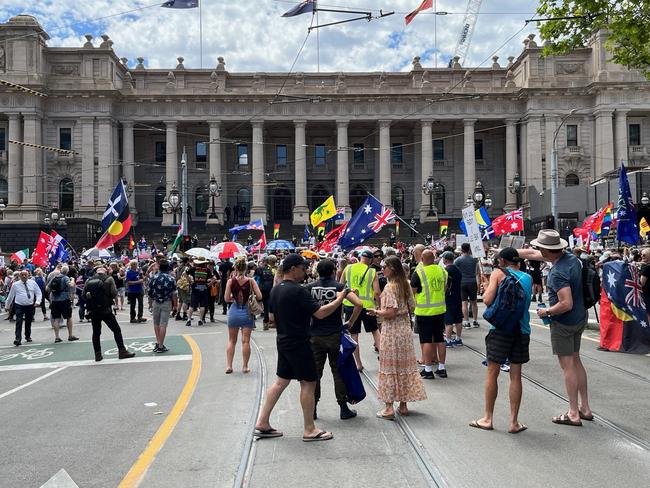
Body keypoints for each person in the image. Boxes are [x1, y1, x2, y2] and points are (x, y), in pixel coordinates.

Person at [255, 254, 350, 442]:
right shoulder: (298, 291)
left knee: (281, 381)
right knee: (308, 383)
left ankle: (262, 421)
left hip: (283, 340)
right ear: (292, 269)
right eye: (302, 267)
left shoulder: (276, 290)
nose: (305, 271)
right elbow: (321, 313)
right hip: (299, 341)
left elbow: (272, 319)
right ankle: (309, 429)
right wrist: (340, 299)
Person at [519, 229, 592, 426]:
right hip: (580, 316)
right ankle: (585, 408)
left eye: (541, 248)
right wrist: (511, 251)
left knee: (567, 366)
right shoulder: (570, 258)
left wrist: (547, 312)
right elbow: (534, 254)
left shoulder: (557, 273)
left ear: (548, 251)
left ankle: (573, 413)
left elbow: (565, 303)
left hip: (564, 321)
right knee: (576, 362)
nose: (538, 251)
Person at [469, 247, 531, 434]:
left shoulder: (497, 273)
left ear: (502, 262)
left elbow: (487, 300)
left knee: (492, 372)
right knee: (516, 374)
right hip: (521, 330)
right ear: (517, 262)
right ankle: (513, 422)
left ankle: (487, 418)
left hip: (500, 329)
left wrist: (488, 286)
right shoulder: (527, 278)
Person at [369, 256, 427, 419]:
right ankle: (403, 405)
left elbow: (390, 312)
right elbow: (412, 306)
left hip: (392, 330)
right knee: (404, 365)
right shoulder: (406, 284)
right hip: (404, 330)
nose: (382, 270)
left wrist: (376, 312)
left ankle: (388, 408)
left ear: (392, 268)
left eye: (384, 267)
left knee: (389, 366)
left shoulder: (389, 287)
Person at [306, 258, 363, 420]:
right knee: (338, 371)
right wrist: (350, 323)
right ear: (333, 272)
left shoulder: (309, 288)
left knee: (315, 373)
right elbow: (358, 304)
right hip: (335, 335)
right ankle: (343, 408)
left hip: (315, 336)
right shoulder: (339, 287)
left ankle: (313, 408)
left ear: (318, 272)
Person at [340, 249, 381, 371]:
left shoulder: (348, 268)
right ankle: (384, 361)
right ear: (370, 260)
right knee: (375, 331)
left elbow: (341, 285)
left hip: (351, 304)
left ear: (360, 257)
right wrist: (380, 306)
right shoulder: (372, 271)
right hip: (368, 305)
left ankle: (358, 364)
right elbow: (377, 292)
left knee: (354, 334)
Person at [85, 265, 135, 362]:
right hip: (106, 309)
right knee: (116, 330)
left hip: (93, 310)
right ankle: (122, 351)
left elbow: (84, 295)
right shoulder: (109, 279)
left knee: (96, 332)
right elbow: (114, 293)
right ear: (105, 272)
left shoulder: (89, 281)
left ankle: (97, 354)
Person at [411, 250, 448, 379]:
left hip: (424, 312)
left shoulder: (419, 272)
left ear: (421, 258)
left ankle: (428, 369)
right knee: (440, 338)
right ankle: (442, 368)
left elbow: (412, 292)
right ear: (434, 258)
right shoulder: (442, 271)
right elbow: (444, 287)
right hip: (440, 310)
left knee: (426, 340)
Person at [224, 257, 263, 374]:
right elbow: (260, 296)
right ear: (246, 268)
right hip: (247, 312)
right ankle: (245, 366)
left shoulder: (230, 281)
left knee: (231, 340)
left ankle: (229, 366)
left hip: (234, 311)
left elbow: (226, 299)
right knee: (245, 341)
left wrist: (233, 298)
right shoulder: (251, 281)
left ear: (235, 268)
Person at [147, 260, 177, 353]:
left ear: (159, 267)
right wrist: (175, 305)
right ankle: (160, 345)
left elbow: (149, 292)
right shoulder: (171, 278)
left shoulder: (154, 277)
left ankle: (158, 342)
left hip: (156, 302)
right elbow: (174, 294)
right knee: (163, 324)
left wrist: (150, 304)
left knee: (156, 323)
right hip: (166, 302)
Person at [6, 270, 42, 346]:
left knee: (28, 321)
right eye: (22, 275)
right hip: (19, 305)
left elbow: (38, 293)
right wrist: (7, 305)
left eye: (25, 275)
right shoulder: (15, 285)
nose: (24, 276)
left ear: (28, 275)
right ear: (20, 276)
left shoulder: (33, 283)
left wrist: (38, 301)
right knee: (19, 321)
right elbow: (10, 296)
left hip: (30, 305)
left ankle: (28, 336)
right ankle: (17, 339)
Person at [46, 265, 79, 344]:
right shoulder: (66, 278)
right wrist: (73, 280)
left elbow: (47, 288)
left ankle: (57, 337)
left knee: (56, 318)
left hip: (55, 300)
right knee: (68, 317)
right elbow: (71, 285)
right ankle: (70, 335)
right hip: (64, 300)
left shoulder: (54, 278)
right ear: (67, 272)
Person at [455, 243, 480, 328]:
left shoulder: (458, 260)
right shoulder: (475, 259)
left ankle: (466, 321)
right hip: (473, 282)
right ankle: (475, 321)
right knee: (474, 302)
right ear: (469, 249)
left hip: (462, 282)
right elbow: (477, 272)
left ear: (462, 249)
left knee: (464, 302)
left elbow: (455, 271)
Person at [441, 251, 464, 347]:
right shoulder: (458, 270)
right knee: (458, 318)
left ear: (445, 260)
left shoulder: (446, 271)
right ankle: (458, 338)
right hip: (458, 295)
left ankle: (448, 340)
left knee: (448, 320)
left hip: (448, 297)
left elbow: (444, 285)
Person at [187, 256, 214, 326]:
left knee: (192, 305)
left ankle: (189, 319)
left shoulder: (193, 269)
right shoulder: (207, 270)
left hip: (195, 288)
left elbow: (185, 274)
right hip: (204, 288)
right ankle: (200, 319)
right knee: (202, 305)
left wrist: (190, 281)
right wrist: (209, 284)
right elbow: (213, 278)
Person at [255, 256, 276, 330]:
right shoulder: (272, 269)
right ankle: (266, 323)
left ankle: (252, 323)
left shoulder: (259, 269)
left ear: (263, 262)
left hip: (260, 289)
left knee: (254, 305)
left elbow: (256, 278)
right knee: (266, 307)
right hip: (269, 289)